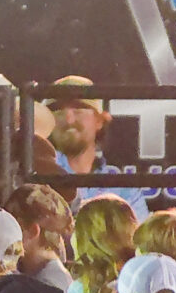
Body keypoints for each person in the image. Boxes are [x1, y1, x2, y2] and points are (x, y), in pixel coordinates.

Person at [36, 77, 150, 211]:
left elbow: (138, 231)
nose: (68, 119)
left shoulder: (124, 189)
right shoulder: (38, 175)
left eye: (78, 109)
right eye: (58, 111)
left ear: (99, 121)